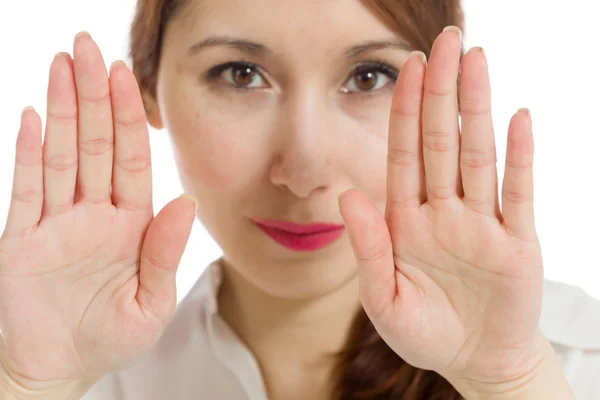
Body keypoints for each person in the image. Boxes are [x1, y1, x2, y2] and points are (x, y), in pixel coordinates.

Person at [0, 0, 599, 399]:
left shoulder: (566, 364)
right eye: (239, 74)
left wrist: (508, 381)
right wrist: (31, 384)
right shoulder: (84, 381)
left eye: (369, 76)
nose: (305, 169)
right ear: (148, 88)